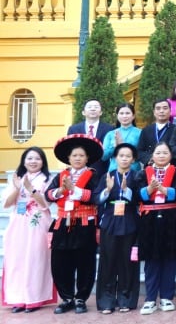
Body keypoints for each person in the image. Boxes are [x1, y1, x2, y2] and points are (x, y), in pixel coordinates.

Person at [45, 134, 104, 314]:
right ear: (68, 158)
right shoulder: (61, 176)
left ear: (87, 158)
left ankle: (81, 298)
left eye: (81, 155)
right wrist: (61, 190)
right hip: (63, 223)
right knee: (60, 261)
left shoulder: (94, 176)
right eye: (74, 155)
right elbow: (48, 195)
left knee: (85, 262)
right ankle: (67, 297)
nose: (77, 158)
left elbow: (96, 197)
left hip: (85, 223)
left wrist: (74, 190)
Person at [2, 146, 55, 313]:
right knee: (17, 260)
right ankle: (17, 298)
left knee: (35, 260)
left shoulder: (47, 179)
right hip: (18, 223)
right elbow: (7, 204)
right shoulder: (16, 178)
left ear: (43, 162)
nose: (33, 162)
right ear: (24, 161)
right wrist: (18, 187)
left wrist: (30, 188)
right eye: (30, 158)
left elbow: (46, 203)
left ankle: (34, 298)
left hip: (37, 223)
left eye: (37, 158)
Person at [134, 142, 176, 315]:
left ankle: (167, 297)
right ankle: (150, 299)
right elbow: (136, 195)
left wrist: (163, 189)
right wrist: (149, 189)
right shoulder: (143, 173)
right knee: (151, 260)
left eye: (165, 153)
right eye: (158, 152)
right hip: (149, 221)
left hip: (172, 219)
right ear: (152, 155)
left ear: (171, 155)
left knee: (170, 259)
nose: (161, 155)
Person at [94, 143, 141, 314]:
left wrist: (127, 190)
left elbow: (140, 199)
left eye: (128, 156)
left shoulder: (137, 176)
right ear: (115, 158)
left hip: (129, 219)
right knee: (108, 260)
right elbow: (96, 198)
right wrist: (107, 190)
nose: (124, 159)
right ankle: (106, 301)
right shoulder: (107, 176)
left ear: (133, 159)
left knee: (127, 262)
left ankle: (126, 298)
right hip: (110, 219)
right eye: (121, 155)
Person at [101, 103, 141, 172]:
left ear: (133, 116)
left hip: (134, 172)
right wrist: (115, 146)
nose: (124, 116)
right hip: (114, 171)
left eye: (127, 113)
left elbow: (142, 154)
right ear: (117, 116)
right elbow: (103, 157)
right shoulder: (110, 134)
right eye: (121, 113)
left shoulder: (140, 133)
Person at [138, 99, 173, 167]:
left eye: (165, 108)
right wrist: (150, 158)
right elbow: (139, 151)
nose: (161, 111)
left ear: (170, 111)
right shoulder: (146, 130)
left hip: (171, 168)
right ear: (154, 112)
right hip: (150, 168)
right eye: (158, 108)